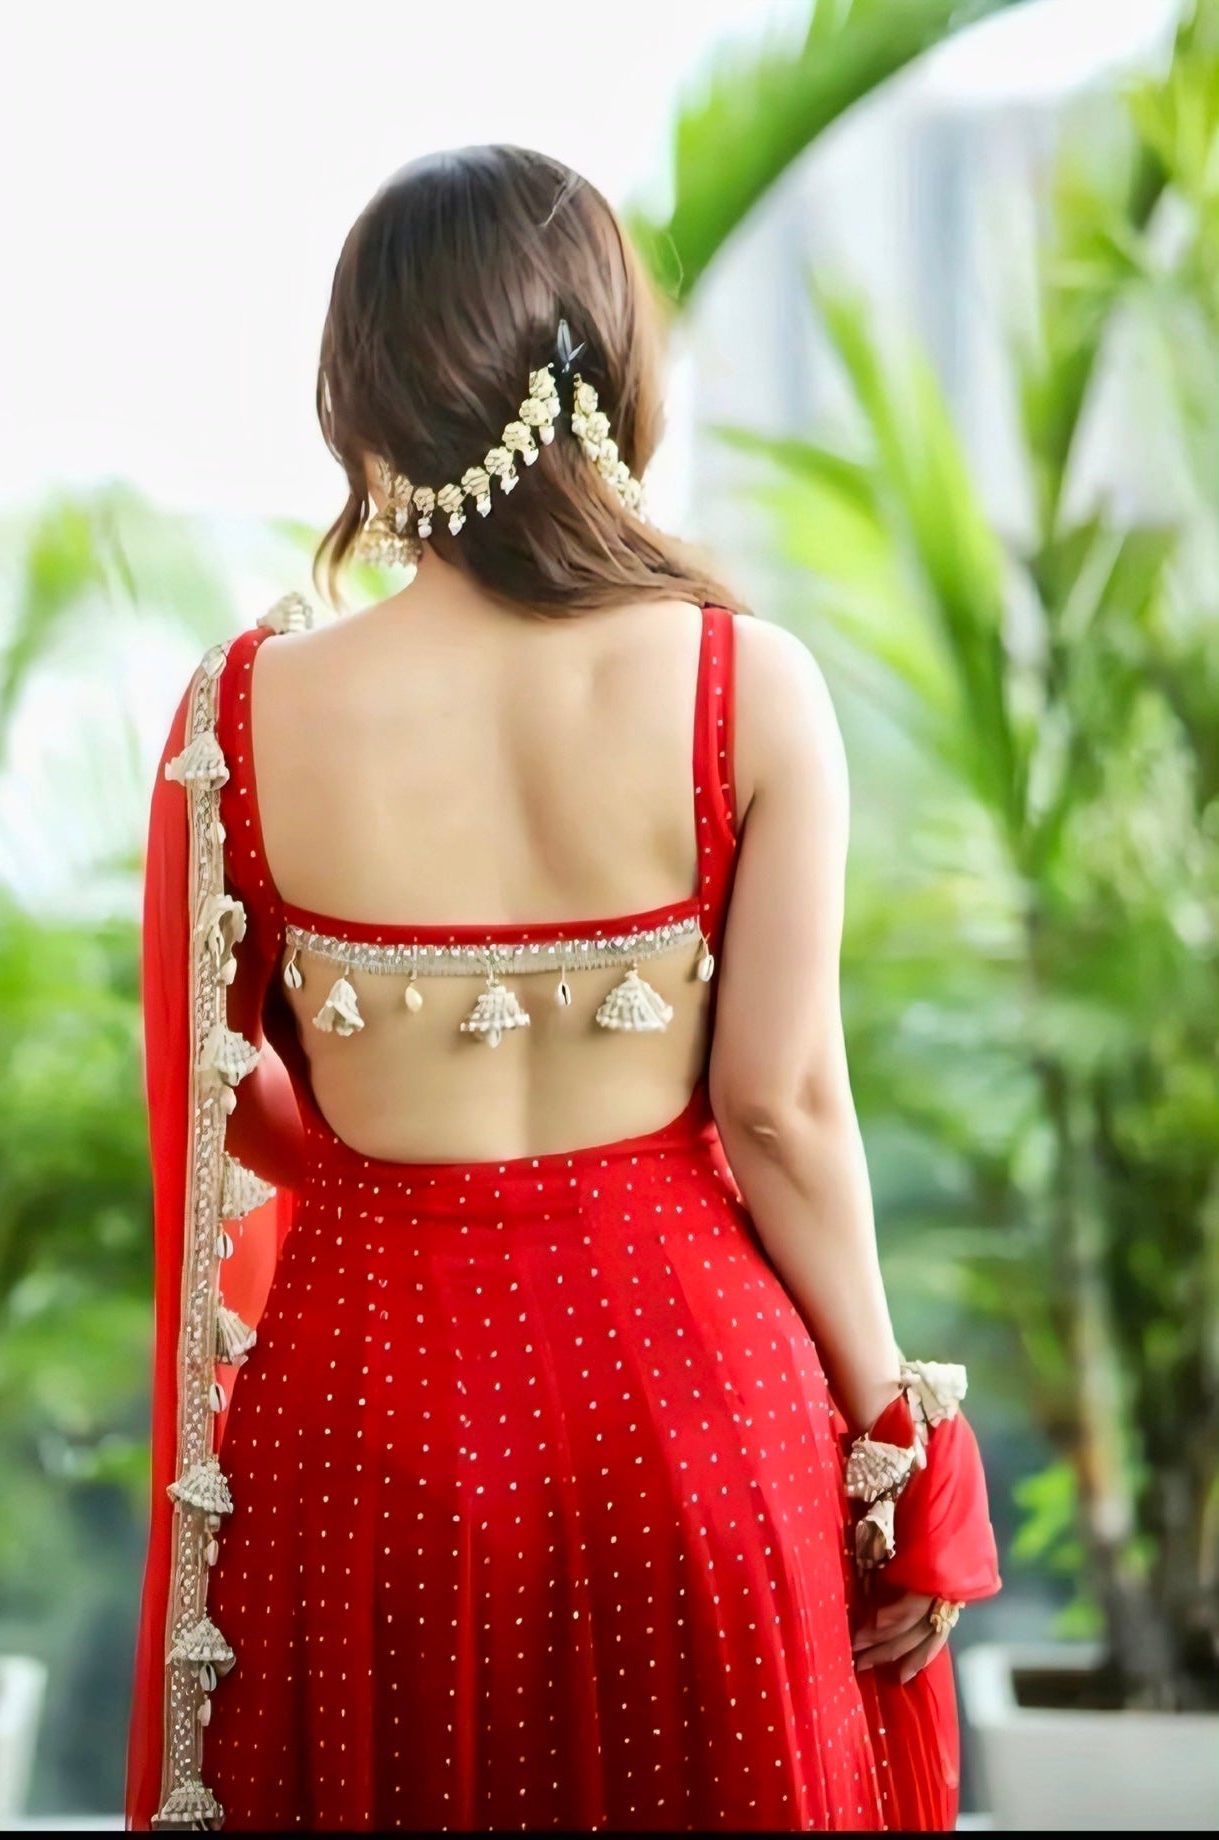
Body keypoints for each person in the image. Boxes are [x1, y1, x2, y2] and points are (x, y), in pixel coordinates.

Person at [126, 145, 999, 1833]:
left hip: (366, 1429)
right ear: (610, 369)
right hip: (687, 1414)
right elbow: (785, 1110)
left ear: (360, 394)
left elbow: (231, 1125)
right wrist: (900, 1434)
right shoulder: (749, 682)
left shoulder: (236, 718)